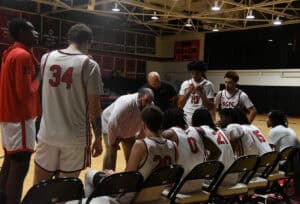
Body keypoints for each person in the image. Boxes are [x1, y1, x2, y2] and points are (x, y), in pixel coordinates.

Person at [34, 24, 104, 184]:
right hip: (75, 139)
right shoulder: (90, 65)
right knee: (63, 192)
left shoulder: (46, 58)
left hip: (47, 134)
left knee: (38, 188)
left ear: (69, 39)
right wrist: (98, 138)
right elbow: (94, 109)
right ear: (89, 42)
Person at [85, 106, 177, 201]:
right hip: (158, 195)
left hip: (135, 197)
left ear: (144, 125)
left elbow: (128, 179)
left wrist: (112, 175)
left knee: (89, 175)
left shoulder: (141, 145)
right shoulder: (173, 146)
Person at [0, 19, 40, 204]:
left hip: (9, 118)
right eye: (32, 30)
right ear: (22, 32)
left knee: (9, 165)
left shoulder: (11, 53)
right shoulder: (22, 56)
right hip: (20, 118)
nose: (36, 33)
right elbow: (25, 93)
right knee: (20, 169)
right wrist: (38, 77)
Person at [162, 108, 220, 192]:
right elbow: (217, 151)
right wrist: (204, 170)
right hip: (199, 184)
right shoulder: (197, 131)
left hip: (179, 187)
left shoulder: (169, 134)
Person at [102, 88, 154, 170]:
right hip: (110, 125)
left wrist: (139, 139)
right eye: (146, 101)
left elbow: (145, 125)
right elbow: (112, 123)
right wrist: (113, 143)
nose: (148, 104)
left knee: (133, 153)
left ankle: (130, 175)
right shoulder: (126, 103)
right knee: (111, 153)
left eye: (150, 101)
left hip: (129, 129)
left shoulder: (150, 105)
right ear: (139, 97)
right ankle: (106, 178)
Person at [177, 60, 215, 125]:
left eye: (197, 73)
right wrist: (188, 92)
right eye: (192, 73)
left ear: (202, 72)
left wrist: (202, 93)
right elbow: (180, 105)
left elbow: (210, 107)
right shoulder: (185, 83)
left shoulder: (208, 85)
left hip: (201, 118)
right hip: (187, 118)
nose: (194, 75)